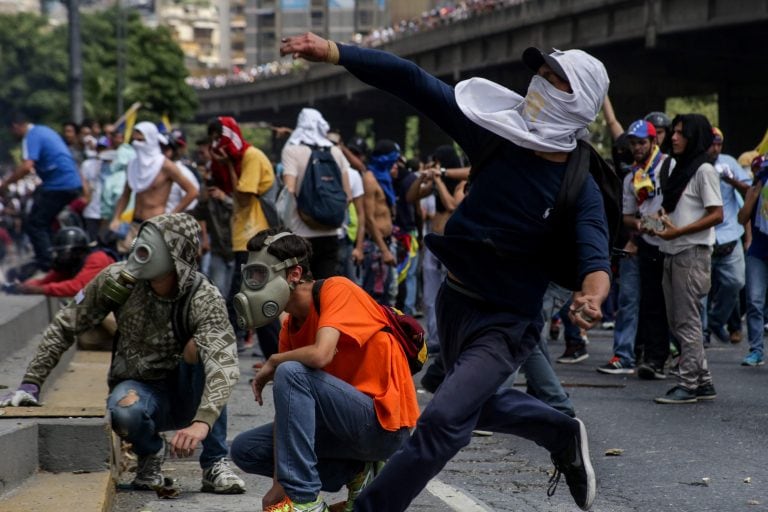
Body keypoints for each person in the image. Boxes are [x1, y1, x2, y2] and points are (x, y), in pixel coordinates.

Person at [280, 33, 609, 511]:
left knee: (441, 423)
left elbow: (595, 254)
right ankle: (559, 431)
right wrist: (334, 51)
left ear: (577, 102)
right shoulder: (496, 136)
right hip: (453, 305)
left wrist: (593, 296)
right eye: (539, 71)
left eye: (553, 78)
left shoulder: (579, 185)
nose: (537, 80)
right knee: (464, 406)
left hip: (506, 322)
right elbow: (413, 82)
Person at [0, 213, 246, 494]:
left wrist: (202, 422)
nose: (140, 249)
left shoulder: (204, 297)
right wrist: (31, 383)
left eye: (155, 244)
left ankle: (214, 462)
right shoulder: (117, 280)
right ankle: (150, 453)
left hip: (189, 391)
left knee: (204, 352)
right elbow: (66, 323)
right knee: (124, 413)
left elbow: (224, 365)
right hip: (140, 387)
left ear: (179, 254)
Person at [229, 228, 418, 512]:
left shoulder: (337, 289)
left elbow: (321, 354)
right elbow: (288, 415)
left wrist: (274, 361)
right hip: (343, 429)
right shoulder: (289, 326)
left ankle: (306, 502)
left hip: (384, 426)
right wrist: (278, 488)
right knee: (246, 449)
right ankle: (357, 473)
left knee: (291, 371)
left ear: (293, 274)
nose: (252, 285)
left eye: (260, 275)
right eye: (250, 275)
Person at [652, 114, 723, 404]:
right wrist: (652, 226)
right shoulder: (678, 168)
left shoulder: (704, 170)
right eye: (675, 132)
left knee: (686, 321)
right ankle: (702, 380)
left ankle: (689, 383)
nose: (675, 137)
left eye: (682, 133)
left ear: (695, 136)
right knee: (678, 319)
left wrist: (678, 231)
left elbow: (717, 213)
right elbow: (672, 213)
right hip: (672, 250)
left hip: (691, 253)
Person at [207, 116, 279, 357]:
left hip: (255, 235)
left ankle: (268, 351)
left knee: (249, 293)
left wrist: (227, 165)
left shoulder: (251, 157)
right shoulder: (239, 160)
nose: (217, 145)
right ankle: (271, 353)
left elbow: (244, 195)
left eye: (220, 138)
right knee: (248, 294)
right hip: (244, 235)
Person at [619, 120, 671, 379]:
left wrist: (648, 223)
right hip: (649, 245)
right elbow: (627, 215)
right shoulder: (632, 177)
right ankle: (654, 358)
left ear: (654, 142)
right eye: (633, 143)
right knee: (652, 304)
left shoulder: (669, 167)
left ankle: (685, 357)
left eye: (642, 142)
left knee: (678, 307)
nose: (637, 148)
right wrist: (640, 225)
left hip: (675, 244)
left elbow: (673, 205)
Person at [0, 112, 83, 272]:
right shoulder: (43, 130)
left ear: (16, 126)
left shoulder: (31, 136)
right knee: (45, 217)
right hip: (67, 183)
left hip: (60, 185)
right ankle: (54, 253)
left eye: (12, 131)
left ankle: (47, 263)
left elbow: (27, 166)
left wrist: (5, 184)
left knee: (35, 223)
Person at [280, 108, 352, 280]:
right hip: (331, 232)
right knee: (325, 287)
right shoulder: (336, 152)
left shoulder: (292, 151)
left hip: (300, 233)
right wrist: (327, 214)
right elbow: (348, 196)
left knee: (300, 287)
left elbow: (289, 190)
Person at [109, 122, 199, 251]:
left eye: (140, 140)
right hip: (134, 224)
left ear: (150, 140)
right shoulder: (133, 165)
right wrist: (116, 218)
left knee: (151, 268)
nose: (136, 144)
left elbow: (192, 191)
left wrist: (172, 214)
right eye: (134, 140)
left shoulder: (165, 165)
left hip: (156, 227)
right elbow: (125, 195)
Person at [704, 127, 750, 345]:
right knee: (701, 291)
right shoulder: (697, 164)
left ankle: (715, 320)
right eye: (712, 143)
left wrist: (732, 181)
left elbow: (750, 191)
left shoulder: (729, 163)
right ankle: (702, 332)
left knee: (736, 282)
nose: (715, 148)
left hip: (730, 236)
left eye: (719, 144)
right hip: (705, 237)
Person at [6, 226, 114, 297]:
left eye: (64, 252)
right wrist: (22, 287)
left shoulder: (97, 259)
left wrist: (41, 290)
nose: (61, 257)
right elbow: (46, 281)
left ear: (78, 251)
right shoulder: (72, 263)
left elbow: (77, 286)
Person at [737, 156, 768, 366]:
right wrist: (753, 195)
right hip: (758, 251)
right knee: (755, 301)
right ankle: (756, 349)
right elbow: (741, 218)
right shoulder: (758, 186)